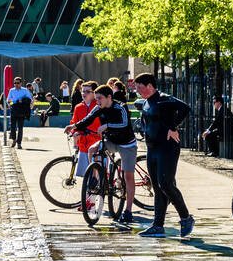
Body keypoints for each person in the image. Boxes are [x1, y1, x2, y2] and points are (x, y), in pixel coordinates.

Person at [133, 72, 194, 238]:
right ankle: (157, 225)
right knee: (158, 187)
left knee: (166, 184)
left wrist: (173, 127)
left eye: (140, 87)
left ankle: (186, 217)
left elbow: (185, 108)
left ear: (150, 86)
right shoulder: (146, 102)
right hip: (152, 149)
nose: (137, 91)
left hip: (167, 148)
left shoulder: (164, 98)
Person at [68, 84, 139, 225]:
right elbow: (87, 119)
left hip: (126, 143)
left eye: (100, 98)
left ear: (109, 97)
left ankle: (128, 211)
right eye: (96, 98)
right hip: (111, 140)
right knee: (92, 150)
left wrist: (108, 125)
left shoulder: (120, 107)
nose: (97, 101)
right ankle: (96, 176)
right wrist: (74, 126)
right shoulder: (98, 107)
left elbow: (125, 124)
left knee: (128, 176)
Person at [67, 82, 100, 205]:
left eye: (87, 91)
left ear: (94, 93)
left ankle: (90, 202)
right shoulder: (78, 107)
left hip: (96, 144)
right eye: (83, 91)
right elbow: (75, 122)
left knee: (96, 175)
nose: (84, 94)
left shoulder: (98, 106)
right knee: (87, 176)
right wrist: (75, 131)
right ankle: (88, 200)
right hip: (83, 145)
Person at [6, 76, 34, 149]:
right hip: (14, 108)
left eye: (17, 83)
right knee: (12, 126)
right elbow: (8, 100)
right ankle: (14, 140)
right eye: (14, 83)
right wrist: (11, 102)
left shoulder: (25, 90)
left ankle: (19, 143)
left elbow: (30, 99)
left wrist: (23, 101)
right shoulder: (12, 90)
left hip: (22, 109)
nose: (16, 84)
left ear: (21, 83)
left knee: (20, 128)